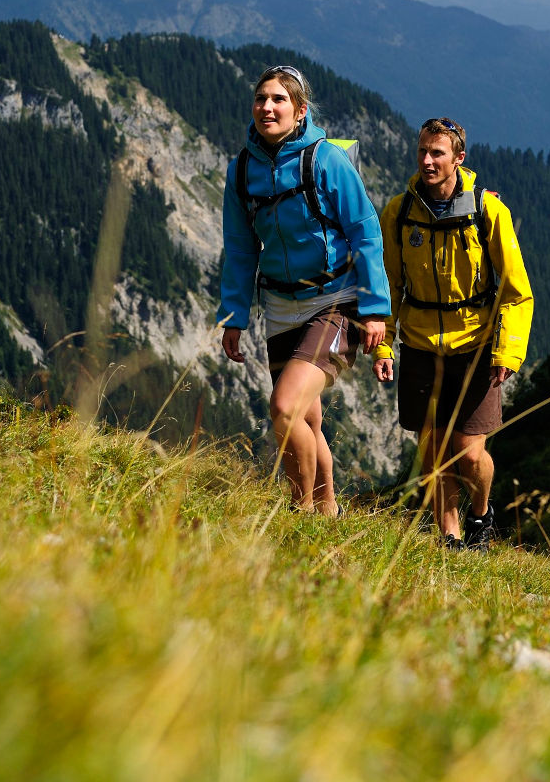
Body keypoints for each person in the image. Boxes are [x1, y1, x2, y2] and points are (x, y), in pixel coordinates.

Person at [219, 64, 391, 515]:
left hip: (335, 302)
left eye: (278, 99)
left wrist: (375, 310)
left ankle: (299, 513)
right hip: (278, 307)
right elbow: (239, 250)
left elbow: (365, 232)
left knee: (285, 407)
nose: (267, 107)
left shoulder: (324, 160)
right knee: (307, 418)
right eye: (261, 98)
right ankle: (327, 511)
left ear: (300, 110)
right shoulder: (241, 171)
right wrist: (234, 316)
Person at [373, 117, 533, 548]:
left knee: (469, 450)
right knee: (433, 448)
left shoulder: (487, 210)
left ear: (459, 159)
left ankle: (481, 513)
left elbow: (517, 291)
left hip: (476, 345)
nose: (427, 161)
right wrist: (384, 344)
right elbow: (389, 285)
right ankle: (451, 536)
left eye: (437, 153)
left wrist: (508, 352)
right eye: (423, 151)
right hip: (421, 345)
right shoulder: (399, 212)